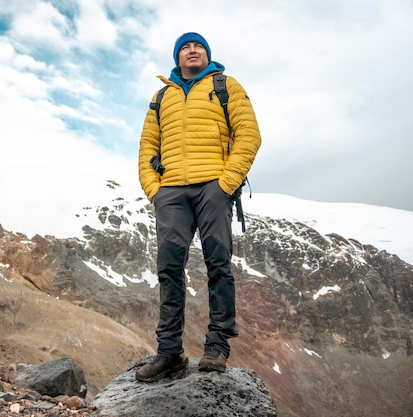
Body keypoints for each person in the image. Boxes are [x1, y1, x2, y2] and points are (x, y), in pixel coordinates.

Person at [136, 32, 261, 382]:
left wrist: (227, 183)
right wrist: (154, 190)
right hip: (171, 190)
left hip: (213, 186)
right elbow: (148, 146)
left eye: (199, 46)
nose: (193, 50)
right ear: (177, 58)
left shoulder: (225, 86)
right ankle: (170, 352)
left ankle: (217, 347)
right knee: (169, 268)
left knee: (218, 263)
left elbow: (249, 134)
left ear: (207, 55)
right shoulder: (161, 97)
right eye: (186, 48)